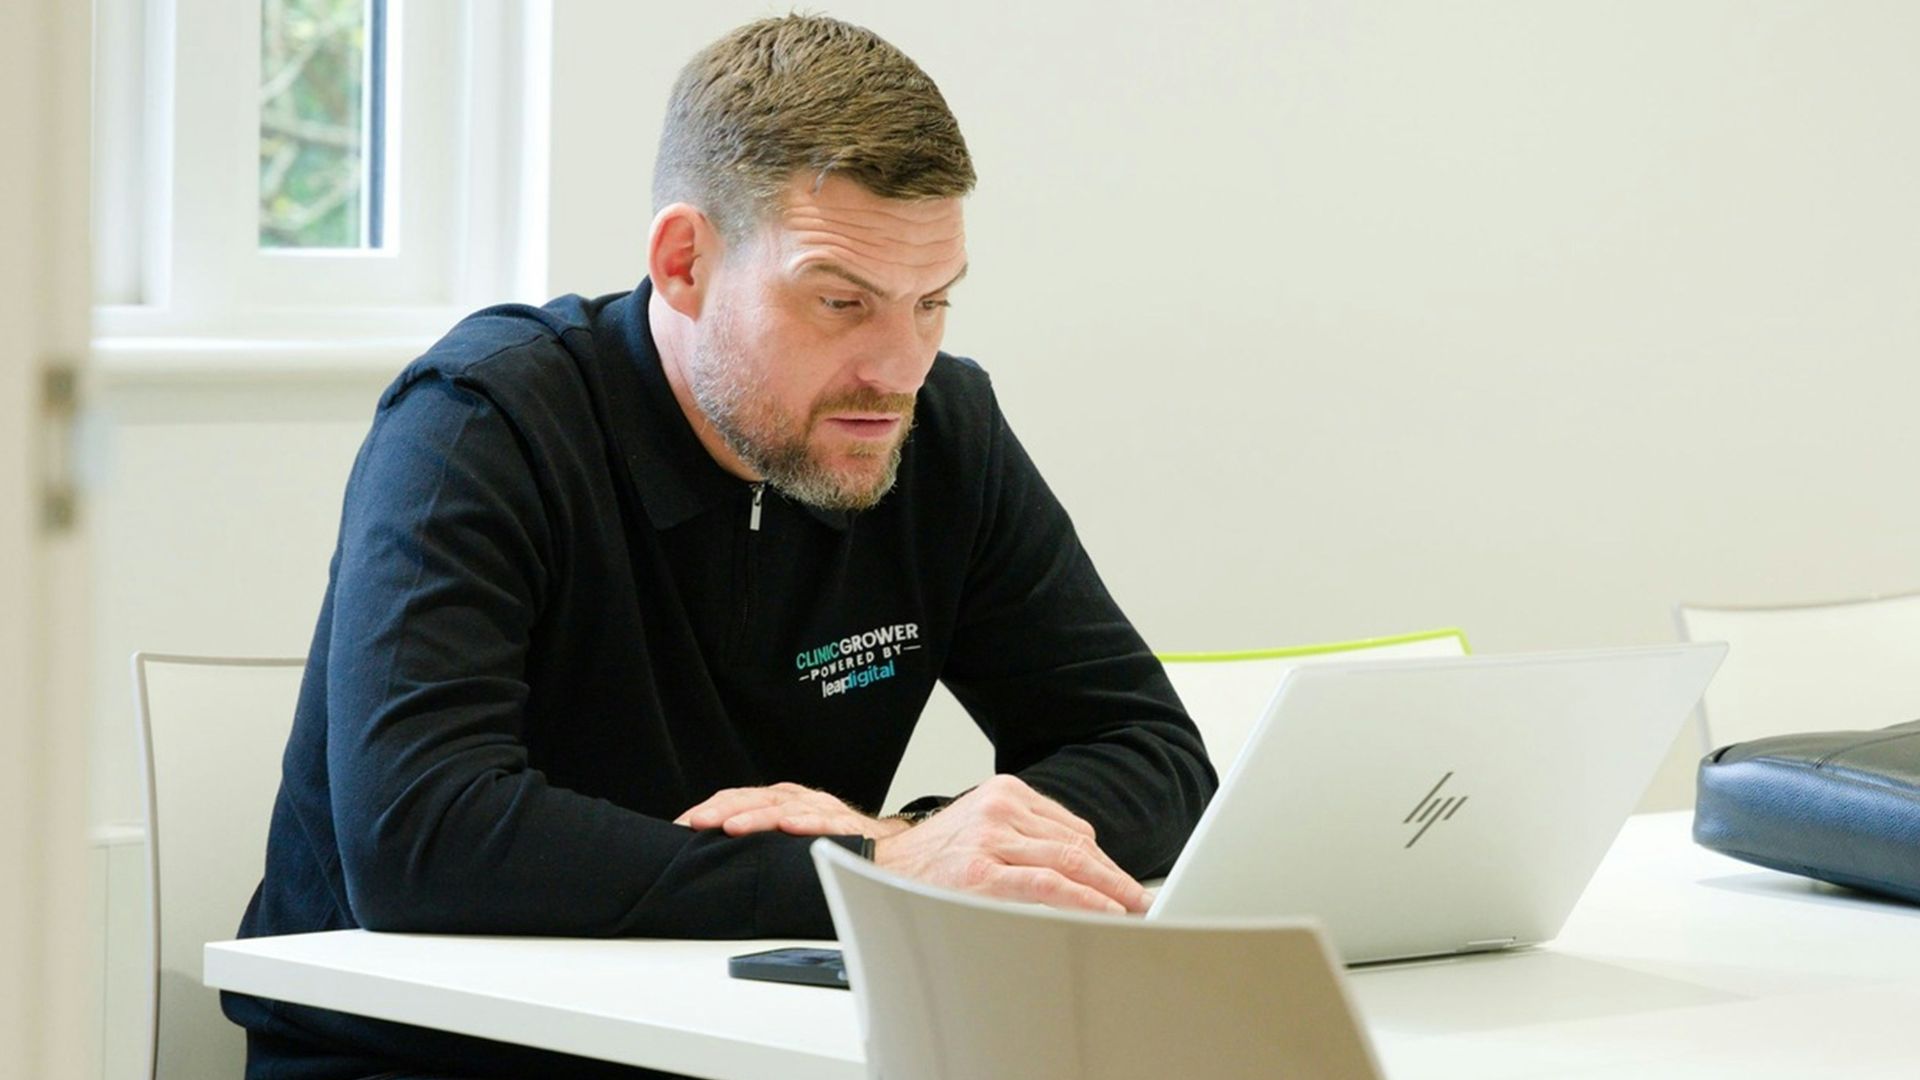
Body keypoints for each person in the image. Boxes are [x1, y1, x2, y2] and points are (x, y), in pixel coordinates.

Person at [225, 14, 1216, 1079]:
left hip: (747, 1046)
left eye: (932, 304)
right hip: (435, 1055)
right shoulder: (482, 423)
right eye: (842, 301)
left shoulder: (942, 432)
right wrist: (880, 866)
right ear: (685, 261)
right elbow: (422, 838)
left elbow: (1155, 760)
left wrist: (909, 837)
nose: (900, 366)